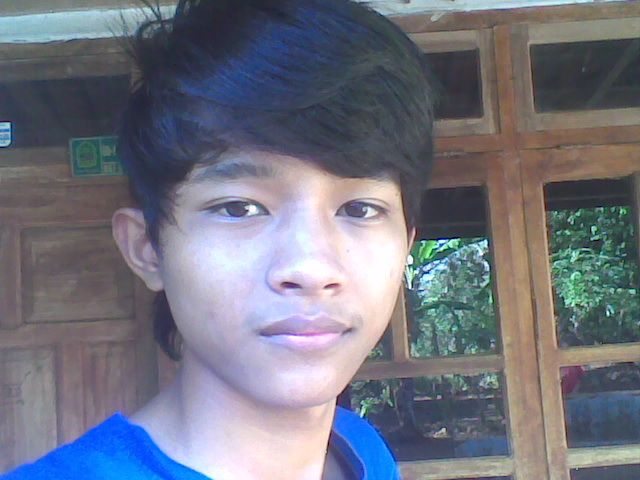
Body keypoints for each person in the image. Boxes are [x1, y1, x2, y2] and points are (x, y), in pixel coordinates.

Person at [3, 0, 434, 478]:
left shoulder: (361, 451)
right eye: (239, 208)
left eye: (359, 209)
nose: (312, 269)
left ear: (406, 245)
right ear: (147, 249)